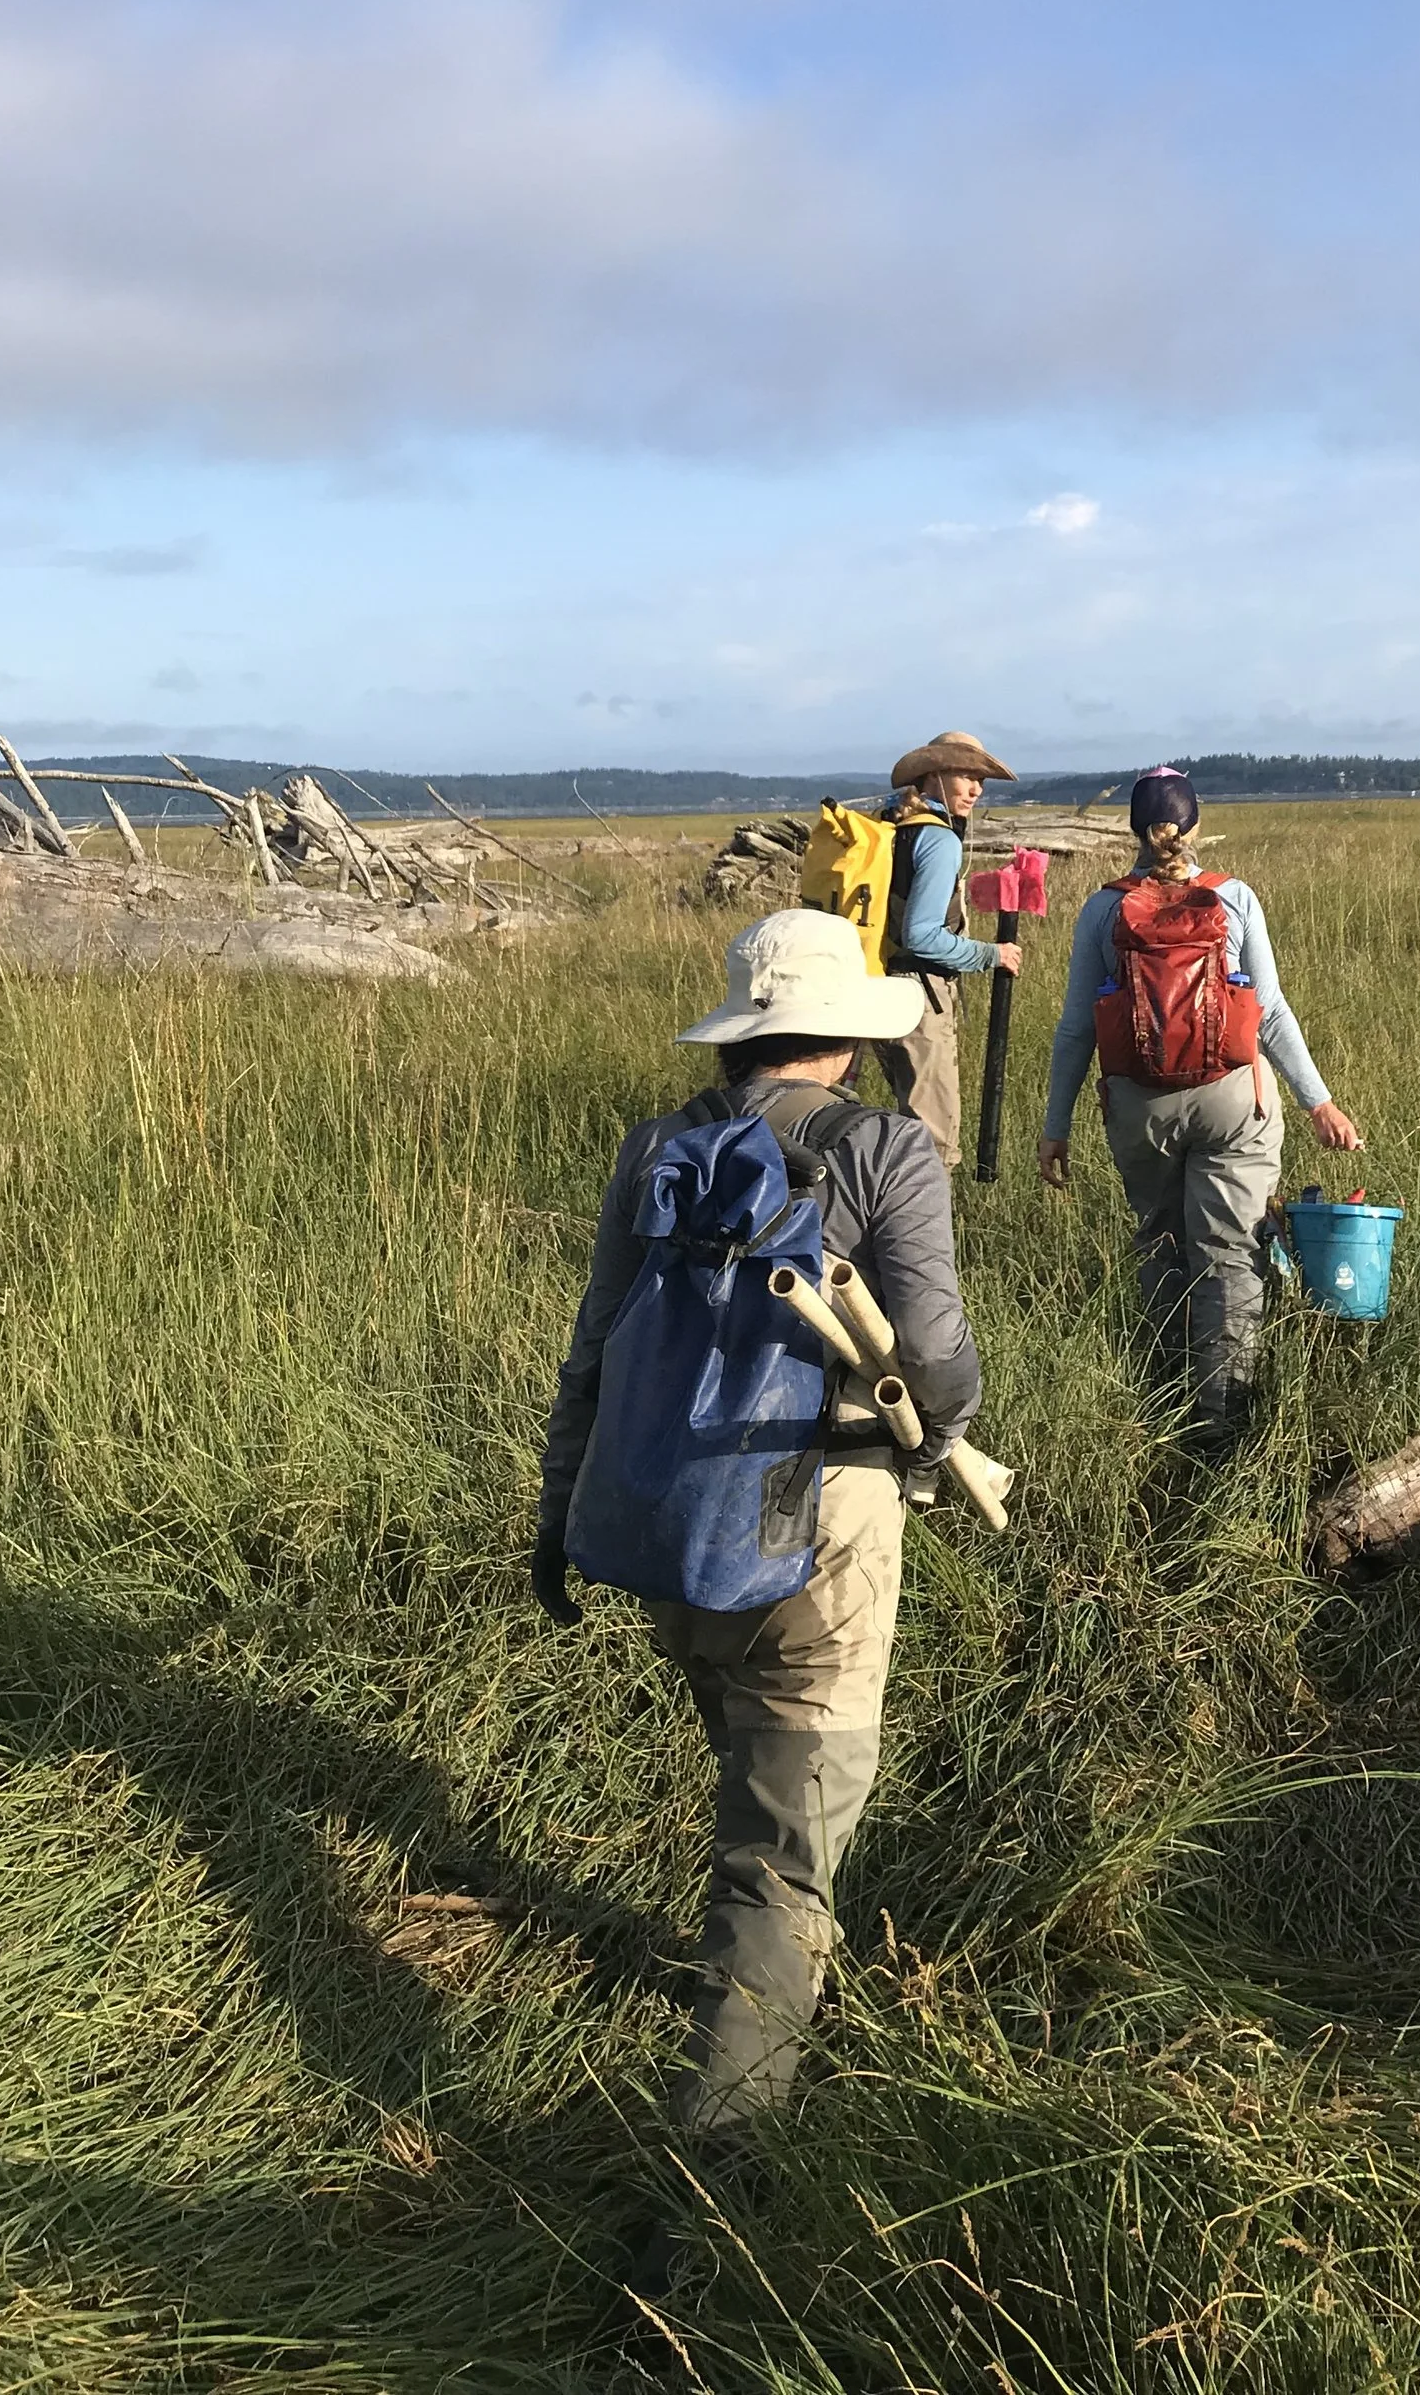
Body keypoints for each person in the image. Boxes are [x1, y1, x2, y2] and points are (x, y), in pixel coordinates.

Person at [531, 906, 982, 2142]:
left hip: (675, 1525)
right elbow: (939, 1366)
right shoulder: (884, 1149)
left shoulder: (656, 1144)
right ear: (839, 1035)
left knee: (754, 1791)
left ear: (743, 1033)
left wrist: (556, 1511)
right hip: (821, 1533)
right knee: (779, 1868)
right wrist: (937, 1447)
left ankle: (766, 1997)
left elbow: (594, 1353)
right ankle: (714, 2182)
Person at [1038, 766, 1361, 1450]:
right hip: (1232, 1101)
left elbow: (1076, 1028)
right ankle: (1220, 1426)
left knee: (1161, 1241)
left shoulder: (1103, 909)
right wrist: (1319, 1102)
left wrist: (1055, 1127)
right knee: (1230, 1254)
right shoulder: (1234, 898)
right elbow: (1269, 1011)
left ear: (1133, 828)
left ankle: (1161, 1401)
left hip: (1138, 1109)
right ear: (1195, 825)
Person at [872, 729, 1021, 1167]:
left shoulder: (890, 825)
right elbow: (922, 934)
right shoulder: (938, 839)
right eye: (965, 776)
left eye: (982, 780)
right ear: (934, 774)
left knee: (902, 1123)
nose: (976, 789)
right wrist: (991, 954)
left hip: (872, 985)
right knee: (932, 1143)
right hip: (917, 996)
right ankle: (925, 1230)